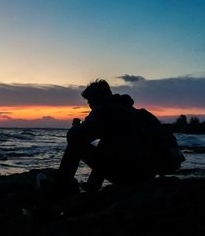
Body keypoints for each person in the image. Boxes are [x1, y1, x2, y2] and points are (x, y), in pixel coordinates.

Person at [57, 79, 185, 191]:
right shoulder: (139, 113)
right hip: (148, 174)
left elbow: (74, 137)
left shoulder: (105, 111)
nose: (90, 106)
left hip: (127, 174)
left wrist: (77, 126)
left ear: (96, 99)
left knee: (76, 145)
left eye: (89, 102)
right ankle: (92, 187)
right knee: (107, 141)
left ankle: (61, 187)